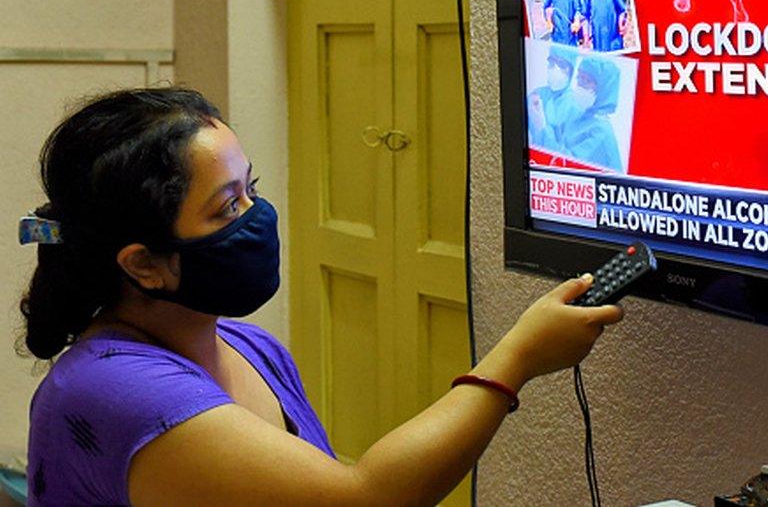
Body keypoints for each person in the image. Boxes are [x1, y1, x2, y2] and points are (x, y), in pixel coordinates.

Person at [19, 88, 624, 505]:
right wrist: (516, 359)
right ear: (145, 264)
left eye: (251, 190)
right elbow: (364, 498)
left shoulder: (249, 348)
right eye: (228, 206)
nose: (258, 218)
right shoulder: (109, 391)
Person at [560, 57, 624, 171]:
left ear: (603, 89)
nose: (579, 84)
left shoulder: (601, 131)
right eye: (579, 77)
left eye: (587, 80)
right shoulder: (579, 116)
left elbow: (567, 165)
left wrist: (541, 128)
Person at [528, 44, 579, 151]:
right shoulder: (537, 94)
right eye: (552, 63)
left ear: (572, 71)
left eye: (562, 65)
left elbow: (569, 156)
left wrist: (542, 128)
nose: (555, 69)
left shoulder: (576, 105)